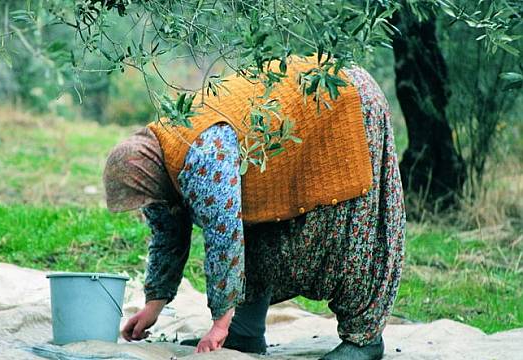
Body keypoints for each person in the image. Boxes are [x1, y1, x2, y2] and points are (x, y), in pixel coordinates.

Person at [103, 56, 405, 360]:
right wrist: (153, 305)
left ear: (145, 176)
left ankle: (364, 338)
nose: (146, 207)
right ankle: (244, 331)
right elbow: (168, 232)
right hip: (286, 127)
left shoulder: (201, 153)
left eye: (143, 199)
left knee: (344, 221)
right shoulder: (156, 162)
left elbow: (224, 238)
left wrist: (218, 325)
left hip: (340, 100)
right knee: (257, 227)